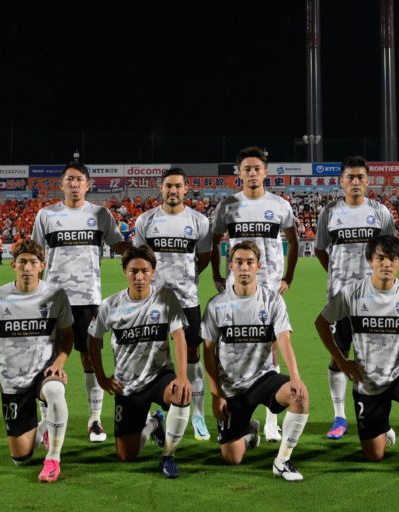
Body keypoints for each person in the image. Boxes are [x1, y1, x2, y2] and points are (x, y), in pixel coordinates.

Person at [315, 235, 399, 480]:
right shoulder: (351, 293)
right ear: (370, 261)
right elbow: (321, 322)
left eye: (392, 259)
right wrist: (341, 360)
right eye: (380, 258)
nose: (386, 264)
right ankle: (383, 427)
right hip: (367, 381)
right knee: (374, 455)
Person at [31, 161, 132, 442]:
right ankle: (46, 423)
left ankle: (95, 419)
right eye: (69, 179)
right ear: (61, 184)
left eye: (79, 179)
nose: (74, 184)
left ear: (87, 185)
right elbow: (36, 253)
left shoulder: (100, 214)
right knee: (47, 360)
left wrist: (142, 247)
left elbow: (117, 245)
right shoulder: (46, 215)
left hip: (88, 298)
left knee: (89, 357)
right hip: (52, 299)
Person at [210, 146, 299, 442]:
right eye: (246, 169)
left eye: (256, 168)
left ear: (265, 172)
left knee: (271, 349)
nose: (252, 173)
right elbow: (214, 240)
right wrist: (216, 275)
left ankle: (272, 421)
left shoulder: (280, 205)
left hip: (269, 288)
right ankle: (240, 415)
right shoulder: (228, 205)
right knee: (234, 347)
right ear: (239, 173)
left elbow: (293, 241)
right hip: (237, 289)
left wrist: (287, 277)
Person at [202, 240, 309, 481]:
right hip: (232, 387)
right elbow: (208, 351)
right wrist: (216, 394)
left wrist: (295, 377)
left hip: (264, 378)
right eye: (239, 262)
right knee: (232, 457)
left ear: (258, 266)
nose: (244, 267)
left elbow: (284, 339)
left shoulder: (272, 301)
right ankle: (249, 432)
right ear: (230, 266)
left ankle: (282, 461)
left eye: (250, 262)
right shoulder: (216, 305)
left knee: (300, 396)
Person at [87, 245, 192, 478]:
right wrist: (101, 378)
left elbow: (179, 337)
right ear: (125, 271)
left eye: (145, 271)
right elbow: (93, 339)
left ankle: (168, 456)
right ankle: (154, 423)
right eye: (133, 271)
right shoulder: (110, 305)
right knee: (126, 455)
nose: (139, 277)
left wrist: (183, 376)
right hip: (127, 384)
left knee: (181, 393)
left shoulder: (165, 298)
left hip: (159, 376)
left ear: (153, 272)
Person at [0, 239, 74, 482]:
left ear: (42, 266)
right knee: (21, 458)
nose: (27, 268)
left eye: (33, 262)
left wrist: (60, 362)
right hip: (12, 381)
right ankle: (47, 424)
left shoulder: (56, 295)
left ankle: (53, 458)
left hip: (44, 372)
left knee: (55, 390)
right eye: (22, 262)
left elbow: (68, 336)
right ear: (13, 265)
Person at [314, 156, 395, 439]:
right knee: (339, 355)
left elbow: (390, 251)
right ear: (341, 181)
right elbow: (320, 249)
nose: (356, 181)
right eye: (350, 177)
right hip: (341, 299)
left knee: (377, 357)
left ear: (368, 180)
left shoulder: (380, 212)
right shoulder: (329, 212)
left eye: (360, 176)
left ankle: (379, 416)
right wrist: (337, 275)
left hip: (374, 298)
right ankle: (339, 417)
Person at [133, 167, 212, 441]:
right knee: (150, 355)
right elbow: (140, 260)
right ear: (161, 188)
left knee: (192, 354)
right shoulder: (146, 220)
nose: (173, 190)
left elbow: (204, 257)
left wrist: (186, 278)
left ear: (186, 189)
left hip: (186, 300)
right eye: (168, 186)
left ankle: (198, 415)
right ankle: (149, 413)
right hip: (152, 301)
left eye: (178, 186)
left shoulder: (199, 221)